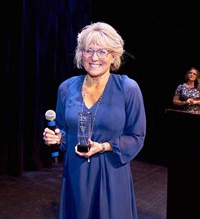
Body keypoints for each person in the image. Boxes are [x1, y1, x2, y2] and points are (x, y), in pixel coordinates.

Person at [42, 22, 146, 219]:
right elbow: (64, 131)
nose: (94, 57)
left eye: (102, 51)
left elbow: (136, 136)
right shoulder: (66, 88)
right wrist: (57, 138)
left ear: (114, 55)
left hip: (111, 174)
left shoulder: (128, 88)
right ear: (81, 54)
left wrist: (104, 146)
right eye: (89, 50)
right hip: (76, 174)